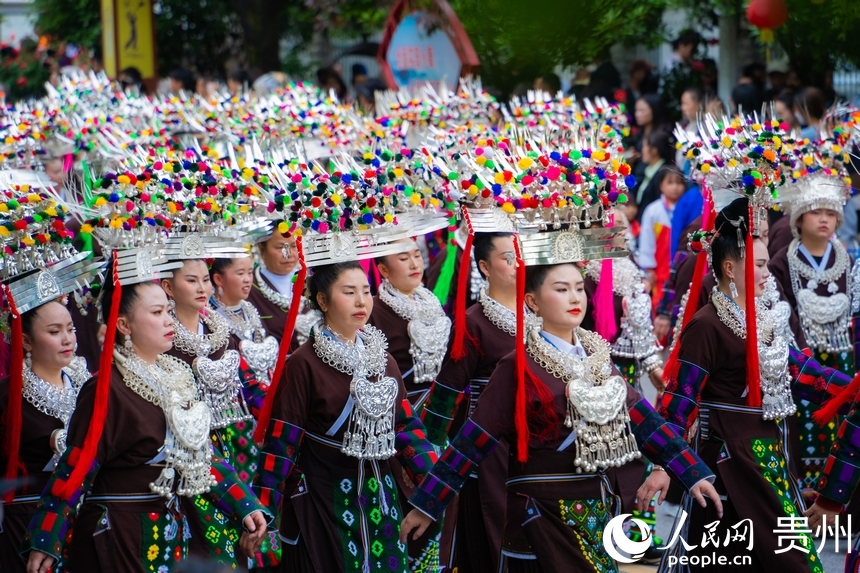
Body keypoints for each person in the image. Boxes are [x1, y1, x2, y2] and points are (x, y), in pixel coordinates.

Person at [400, 228, 721, 571]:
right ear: (533, 301)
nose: (575, 299)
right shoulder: (518, 365)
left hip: (596, 512)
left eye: (579, 289)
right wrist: (428, 503)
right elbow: (472, 440)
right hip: (538, 516)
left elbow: (643, 420)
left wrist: (691, 472)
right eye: (561, 289)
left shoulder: (596, 358)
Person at [24, 276, 269, 572]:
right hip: (119, 532)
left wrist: (245, 504)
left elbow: (199, 455)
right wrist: (47, 539)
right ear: (124, 325)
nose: (169, 320)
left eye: (168, 311)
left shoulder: (175, 376)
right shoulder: (107, 388)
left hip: (170, 529)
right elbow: (75, 467)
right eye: (156, 313)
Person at [659, 198, 850, 569]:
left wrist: (849, 388)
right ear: (730, 268)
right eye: (760, 265)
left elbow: (800, 371)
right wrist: (664, 467)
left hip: (767, 457)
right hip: (729, 464)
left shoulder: (762, 319)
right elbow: (678, 403)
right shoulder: (708, 325)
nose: (767, 273)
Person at [253, 261, 441, 572]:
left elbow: (406, 429)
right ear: (323, 301)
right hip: (325, 499)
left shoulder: (385, 361)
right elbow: (282, 444)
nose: (361, 301)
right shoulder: (303, 364)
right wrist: (263, 510)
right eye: (349, 292)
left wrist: (435, 489)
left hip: (381, 497)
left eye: (366, 291)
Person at [421, 231, 518, 573]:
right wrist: (428, 451)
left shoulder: (539, 315)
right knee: (494, 531)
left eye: (520, 254)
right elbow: (447, 390)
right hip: (489, 450)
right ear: (484, 267)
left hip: (534, 444)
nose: (516, 263)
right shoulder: (474, 323)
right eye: (507, 257)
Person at [768, 173, 859, 500]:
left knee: (844, 413)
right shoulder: (782, 260)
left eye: (831, 213)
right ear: (799, 217)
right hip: (803, 353)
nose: (824, 219)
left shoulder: (845, 257)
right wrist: (798, 346)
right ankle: (806, 483)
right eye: (817, 212)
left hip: (840, 349)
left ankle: (838, 485)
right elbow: (782, 309)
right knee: (804, 418)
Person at [367, 240, 452, 571]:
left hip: (441, 422)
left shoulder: (431, 303)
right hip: (400, 425)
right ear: (384, 270)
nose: (415, 263)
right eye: (403, 258)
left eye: (417, 254)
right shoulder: (373, 310)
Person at [0, 302, 90, 572]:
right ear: (26, 340)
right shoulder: (7, 397)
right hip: (26, 522)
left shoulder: (89, 389)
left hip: (85, 520)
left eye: (71, 329)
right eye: (54, 331)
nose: (67, 339)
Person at [639, 166, 687, 306]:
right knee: (660, 301)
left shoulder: (687, 208)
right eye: (670, 183)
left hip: (681, 262)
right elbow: (647, 241)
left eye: (679, 183)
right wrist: (649, 268)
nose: (675, 187)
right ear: (661, 185)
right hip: (660, 265)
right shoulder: (653, 210)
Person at [247, 226, 301, 341]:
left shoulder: (310, 282)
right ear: (262, 249)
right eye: (280, 247)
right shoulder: (249, 288)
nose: (289, 254)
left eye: (293, 246)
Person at [633, 129, 676, 215]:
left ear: (654, 151)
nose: (642, 150)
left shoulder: (663, 174)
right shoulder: (650, 171)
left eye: (644, 146)